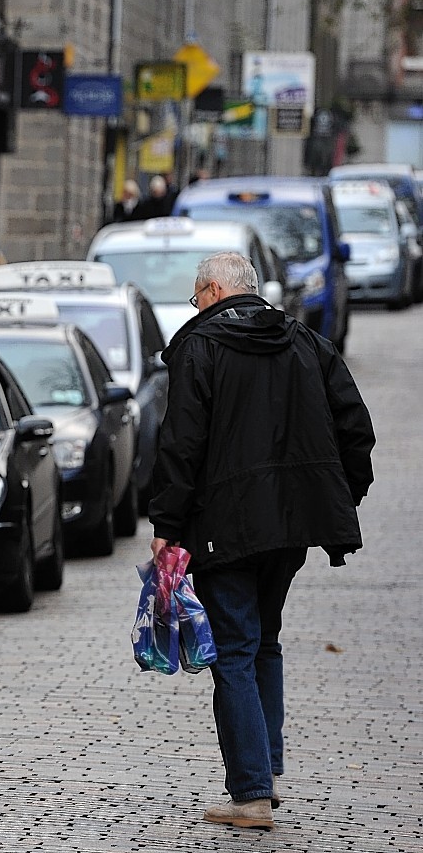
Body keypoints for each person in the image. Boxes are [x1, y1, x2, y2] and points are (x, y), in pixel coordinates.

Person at [148, 251, 375, 831]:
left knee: (236, 651)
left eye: (196, 296)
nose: (195, 307)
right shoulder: (304, 342)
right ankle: (265, 771)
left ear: (215, 291)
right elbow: (355, 426)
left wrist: (167, 528)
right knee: (263, 640)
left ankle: (250, 794)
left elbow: (181, 446)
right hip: (292, 525)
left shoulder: (199, 349)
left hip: (225, 526)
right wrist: (339, 492)